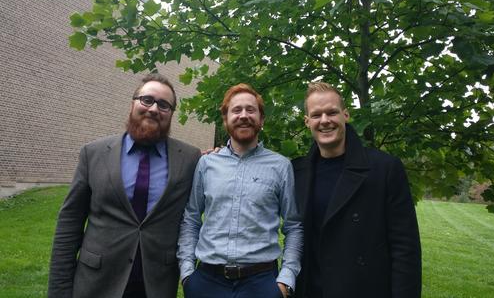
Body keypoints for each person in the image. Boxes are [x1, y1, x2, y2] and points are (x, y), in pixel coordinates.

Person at [48, 73, 201, 298]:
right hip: (96, 283)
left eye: (163, 104)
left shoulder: (189, 158)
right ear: (133, 103)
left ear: (171, 113)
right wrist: (59, 292)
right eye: (146, 100)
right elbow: (69, 223)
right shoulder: (94, 153)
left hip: (156, 285)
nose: (153, 109)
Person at [293, 82, 421, 298]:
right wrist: (221, 158)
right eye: (316, 115)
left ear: (346, 115)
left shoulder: (385, 169)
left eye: (332, 112)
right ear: (307, 122)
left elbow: (405, 249)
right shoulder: (297, 171)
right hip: (311, 290)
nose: (325, 120)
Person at [177, 83, 303, 298]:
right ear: (225, 119)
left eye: (251, 110)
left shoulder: (281, 166)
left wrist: (286, 279)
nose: (244, 115)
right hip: (206, 282)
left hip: (262, 283)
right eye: (236, 110)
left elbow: (293, 225)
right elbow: (191, 219)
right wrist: (187, 273)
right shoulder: (207, 164)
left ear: (261, 119)